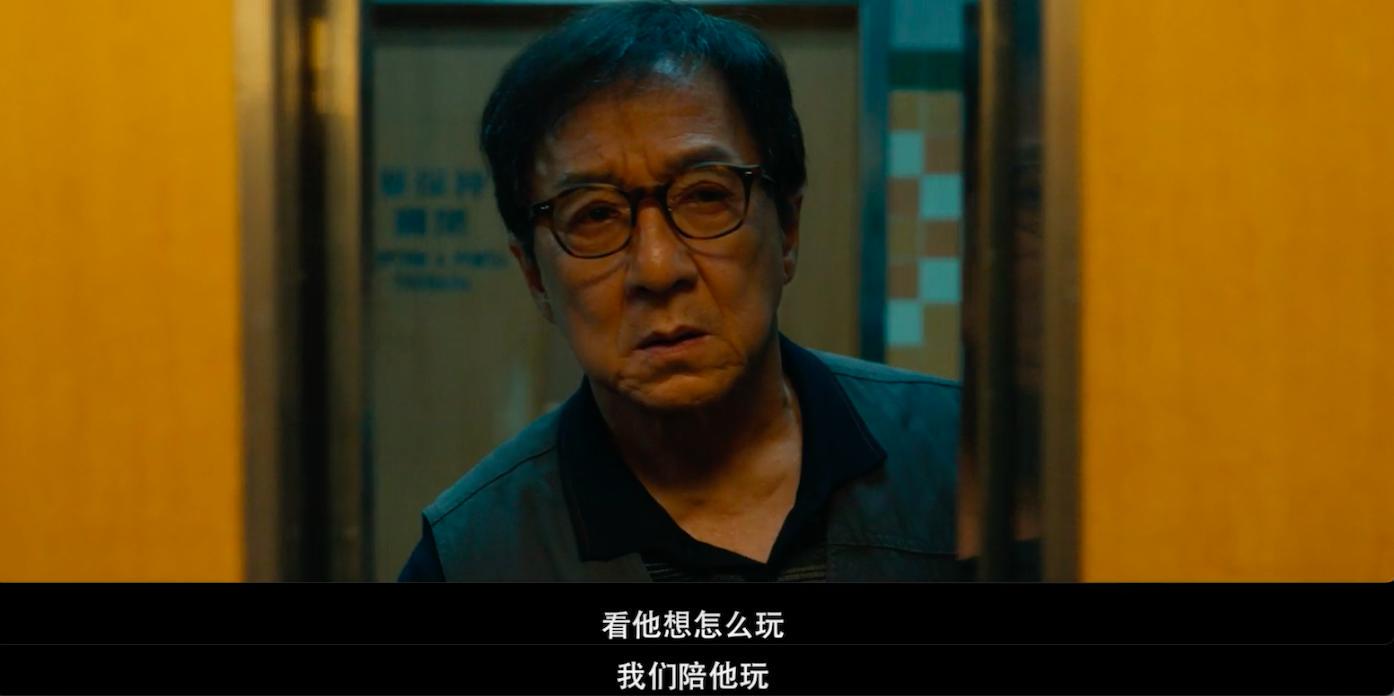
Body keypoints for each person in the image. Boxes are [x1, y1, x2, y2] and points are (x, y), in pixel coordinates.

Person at [398, 0, 960, 581]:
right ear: (535, 278)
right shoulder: (469, 557)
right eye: (594, 215)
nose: (658, 268)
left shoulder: (963, 456)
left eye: (705, 196)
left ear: (787, 230)